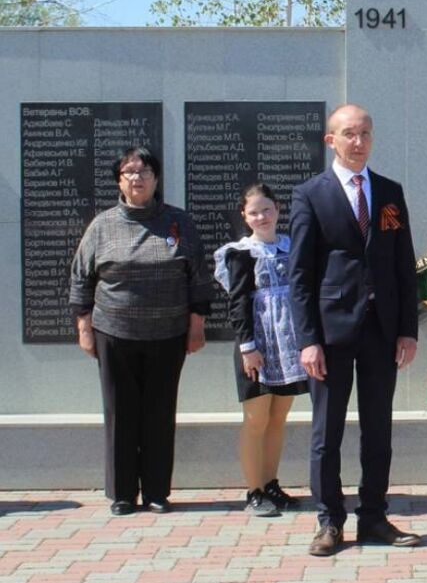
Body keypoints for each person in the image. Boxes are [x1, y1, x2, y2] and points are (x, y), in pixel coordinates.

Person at [289, 104, 421, 556]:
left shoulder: (388, 192)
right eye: (349, 133)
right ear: (331, 140)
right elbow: (300, 275)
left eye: (365, 132)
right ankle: (329, 521)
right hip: (331, 335)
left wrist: (408, 329)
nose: (359, 141)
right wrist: (307, 340)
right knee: (327, 434)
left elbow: (403, 263)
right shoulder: (311, 194)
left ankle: (374, 517)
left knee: (378, 430)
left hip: (381, 331)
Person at [69, 146, 213, 516]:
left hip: (168, 334)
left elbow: (198, 277)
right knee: (120, 412)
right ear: (119, 180)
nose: (137, 178)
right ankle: (121, 493)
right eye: (129, 172)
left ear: (156, 178)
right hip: (114, 332)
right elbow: (81, 278)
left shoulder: (179, 222)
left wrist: (196, 324)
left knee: (159, 412)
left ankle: (156, 491)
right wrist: (84, 326)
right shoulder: (102, 225)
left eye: (144, 171)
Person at [214, 184, 307, 518]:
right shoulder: (240, 253)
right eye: (254, 211)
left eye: (266, 209)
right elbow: (238, 303)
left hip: (287, 348)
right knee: (256, 419)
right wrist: (248, 347)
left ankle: (271, 483)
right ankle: (254, 490)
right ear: (244, 215)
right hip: (255, 347)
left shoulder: (291, 247)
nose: (261, 217)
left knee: (278, 419)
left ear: (277, 210)